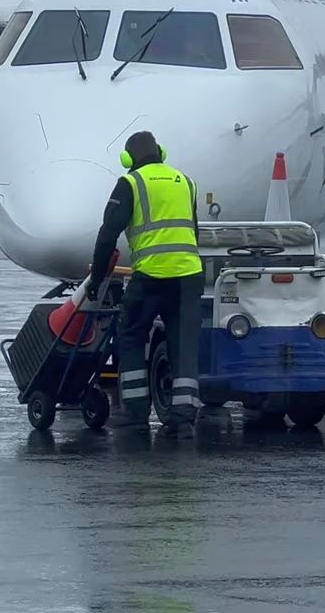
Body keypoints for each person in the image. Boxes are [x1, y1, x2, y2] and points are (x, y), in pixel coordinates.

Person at [86, 130, 204, 436]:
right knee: (183, 343)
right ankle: (183, 416)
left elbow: (107, 234)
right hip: (189, 275)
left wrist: (96, 280)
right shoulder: (185, 182)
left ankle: (136, 413)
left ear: (128, 159)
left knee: (132, 335)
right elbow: (193, 231)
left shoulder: (131, 184)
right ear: (160, 152)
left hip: (151, 275)